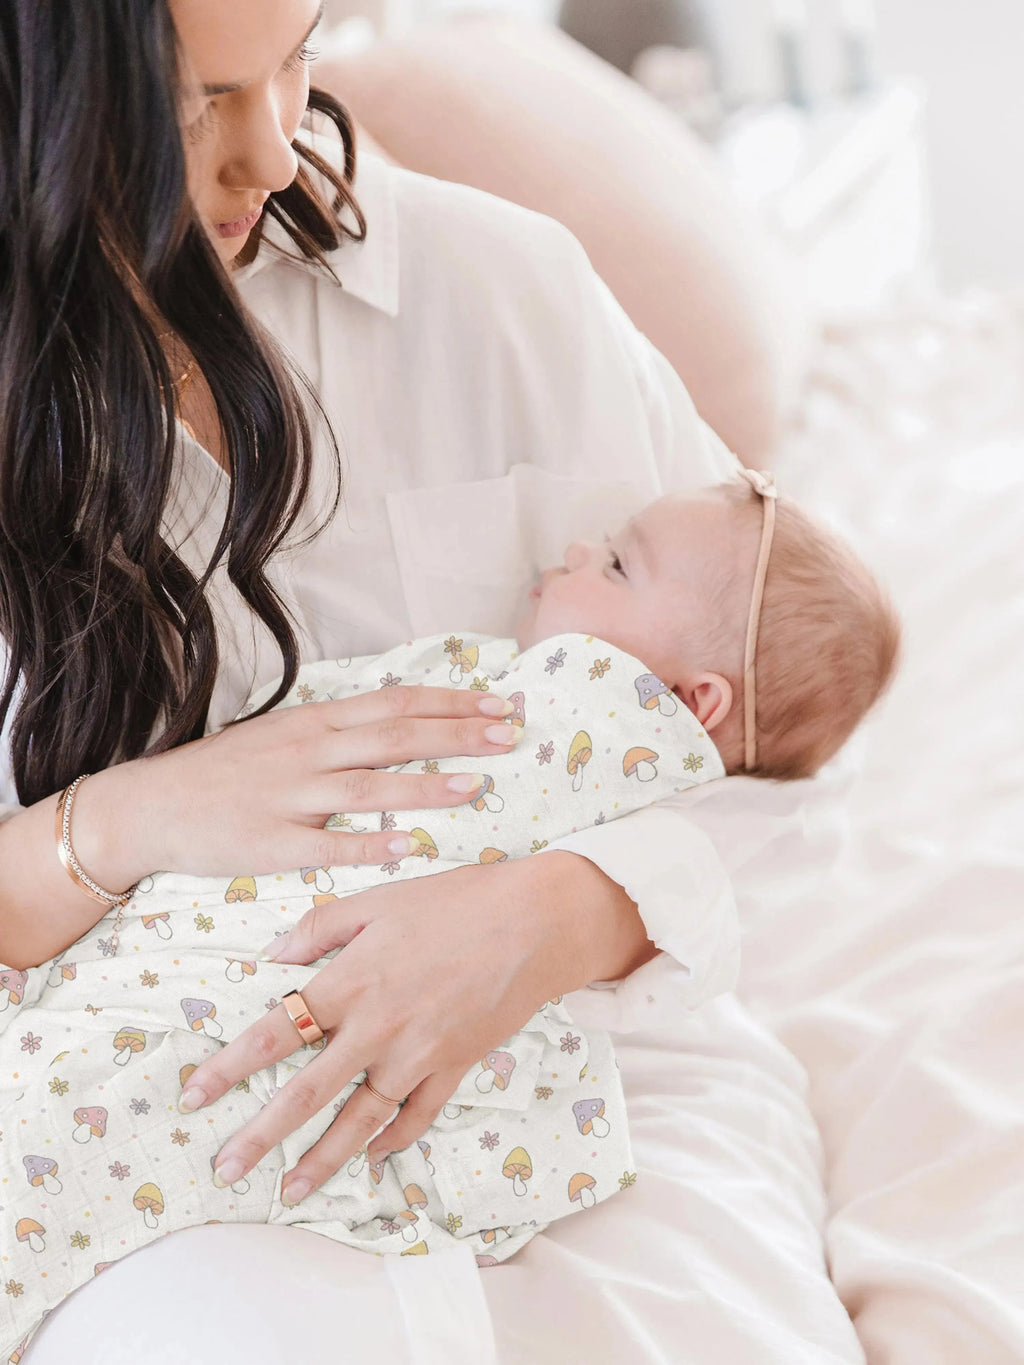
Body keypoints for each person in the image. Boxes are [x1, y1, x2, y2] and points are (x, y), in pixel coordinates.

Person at [0, 4, 866, 1362]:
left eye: (296, 58)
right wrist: (111, 826)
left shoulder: (497, 293)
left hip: (599, 1072)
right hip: (149, 1140)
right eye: (192, 101)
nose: (273, 152)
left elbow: (788, 753)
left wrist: (563, 914)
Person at [2, 468, 898, 1355]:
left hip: (456, 1043)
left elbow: (790, 819)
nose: (576, 549)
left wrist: (571, 908)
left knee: (108, 1128)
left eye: (618, 564)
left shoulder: (595, 717)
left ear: (696, 703)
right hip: (152, 929)